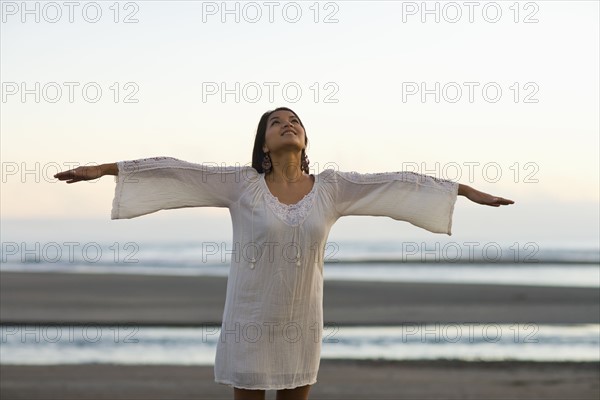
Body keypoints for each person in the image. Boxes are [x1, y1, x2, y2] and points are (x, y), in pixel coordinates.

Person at [54, 107, 514, 400]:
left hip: (301, 320)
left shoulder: (332, 188)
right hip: (250, 318)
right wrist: (105, 169)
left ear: (305, 140)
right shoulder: (242, 184)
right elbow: (176, 170)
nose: (288, 124)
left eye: (295, 121)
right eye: (276, 122)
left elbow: (399, 183)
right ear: (264, 143)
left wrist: (467, 191)